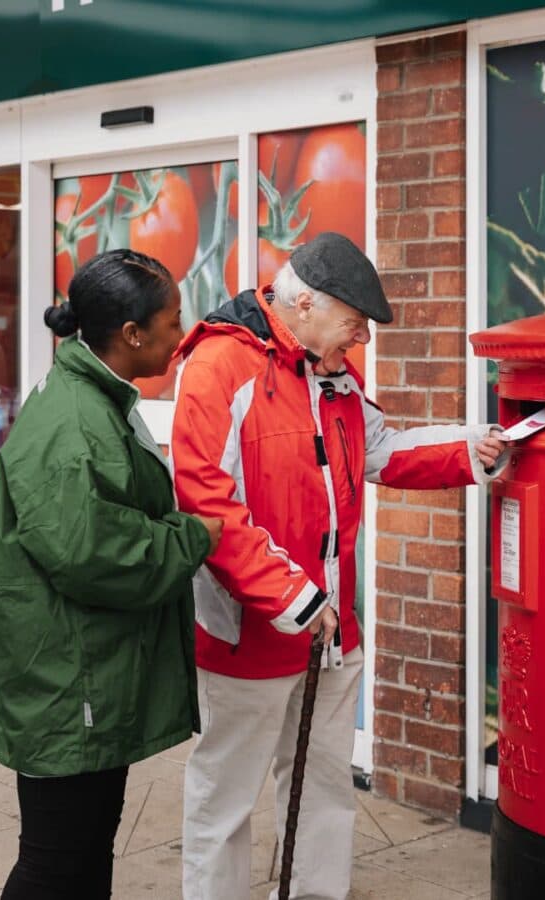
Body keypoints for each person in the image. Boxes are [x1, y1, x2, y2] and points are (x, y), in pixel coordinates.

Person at [170, 231, 508, 900]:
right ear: (304, 305)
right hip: (252, 635)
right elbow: (206, 505)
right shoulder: (217, 368)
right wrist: (294, 599)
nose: (364, 340)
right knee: (225, 800)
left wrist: (473, 447)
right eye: (356, 323)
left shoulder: (334, 374)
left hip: (330, 634)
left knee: (324, 786)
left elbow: (381, 452)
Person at [0, 248, 223, 900]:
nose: (181, 332)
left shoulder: (95, 399)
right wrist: (194, 535)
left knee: (85, 852)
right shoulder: (75, 422)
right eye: (172, 321)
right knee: (57, 863)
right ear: (132, 334)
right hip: (69, 680)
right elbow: (97, 556)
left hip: (85, 673)